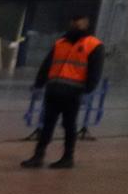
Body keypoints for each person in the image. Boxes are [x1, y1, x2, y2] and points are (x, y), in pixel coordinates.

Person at [22, 13, 103, 170]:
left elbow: (95, 71)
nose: (74, 26)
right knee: (47, 124)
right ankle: (38, 156)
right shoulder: (60, 43)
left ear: (86, 25)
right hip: (54, 90)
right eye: (73, 23)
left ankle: (67, 157)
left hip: (73, 92)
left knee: (69, 125)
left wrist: (88, 90)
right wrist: (39, 84)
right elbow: (47, 65)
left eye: (78, 23)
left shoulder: (94, 45)